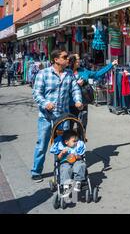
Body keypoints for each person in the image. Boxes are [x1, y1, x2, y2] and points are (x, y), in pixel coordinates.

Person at [31, 49, 83, 182]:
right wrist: (45, 103)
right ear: (56, 59)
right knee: (42, 144)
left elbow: (75, 89)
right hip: (46, 116)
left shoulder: (69, 73)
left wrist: (78, 100)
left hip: (63, 117)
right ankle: (36, 170)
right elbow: (36, 94)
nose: (67, 59)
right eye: (65, 57)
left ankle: (61, 169)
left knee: (62, 144)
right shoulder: (43, 73)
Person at [67, 54, 118, 130]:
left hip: (83, 103)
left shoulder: (83, 71)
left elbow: (97, 74)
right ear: (72, 61)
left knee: (82, 126)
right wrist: (76, 84)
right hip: (70, 104)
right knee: (69, 127)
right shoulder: (66, 72)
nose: (79, 61)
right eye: (77, 59)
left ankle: (82, 140)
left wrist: (111, 65)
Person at [50, 129, 86, 197]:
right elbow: (58, 159)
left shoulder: (77, 147)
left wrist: (76, 156)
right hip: (65, 162)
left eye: (77, 141)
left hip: (76, 161)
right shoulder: (63, 148)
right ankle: (66, 186)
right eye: (74, 141)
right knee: (66, 169)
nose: (76, 143)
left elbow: (81, 157)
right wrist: (61, 153)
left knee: (81, 165)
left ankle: (78, 182)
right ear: (66, 142)